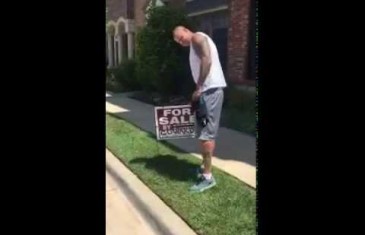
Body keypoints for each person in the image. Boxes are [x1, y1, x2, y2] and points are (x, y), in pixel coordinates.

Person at [173, 26, 227, 192]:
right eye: (178, 41)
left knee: (206, 136)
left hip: (209, 91)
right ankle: (204, 167)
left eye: (181, 37)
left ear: (187, 30)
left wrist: (199, 87)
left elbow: (207, 59)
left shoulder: (197, 37)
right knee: (204, 132)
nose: (181, 42)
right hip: (207, 92)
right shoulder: (194, 42)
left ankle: (208, 177)